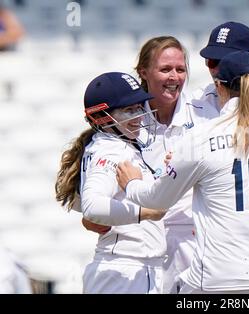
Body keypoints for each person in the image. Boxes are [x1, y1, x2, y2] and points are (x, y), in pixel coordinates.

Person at [116, 51, 249, 294]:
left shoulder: (199, 138)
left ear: (219, 87)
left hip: (219, 279)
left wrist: (132, 183)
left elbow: (157, 200)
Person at [81, 36, 216, 294]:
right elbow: (90, 206)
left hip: (183, 246)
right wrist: (145, 213)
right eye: (165, 69)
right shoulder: (114, 139)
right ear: (144, 72)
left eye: (180, 69)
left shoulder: (205, 114)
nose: (174, 76)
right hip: (131, 259)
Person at [55, 72, 167, 294]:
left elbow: (89, 215)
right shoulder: (110, 151)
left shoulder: (120, 146)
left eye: (138, 107)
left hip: (135, 269)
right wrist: (147, 212)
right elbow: (92, 207)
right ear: (102, 118)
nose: (138, 116)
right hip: (122, 272)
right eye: (128, 110)